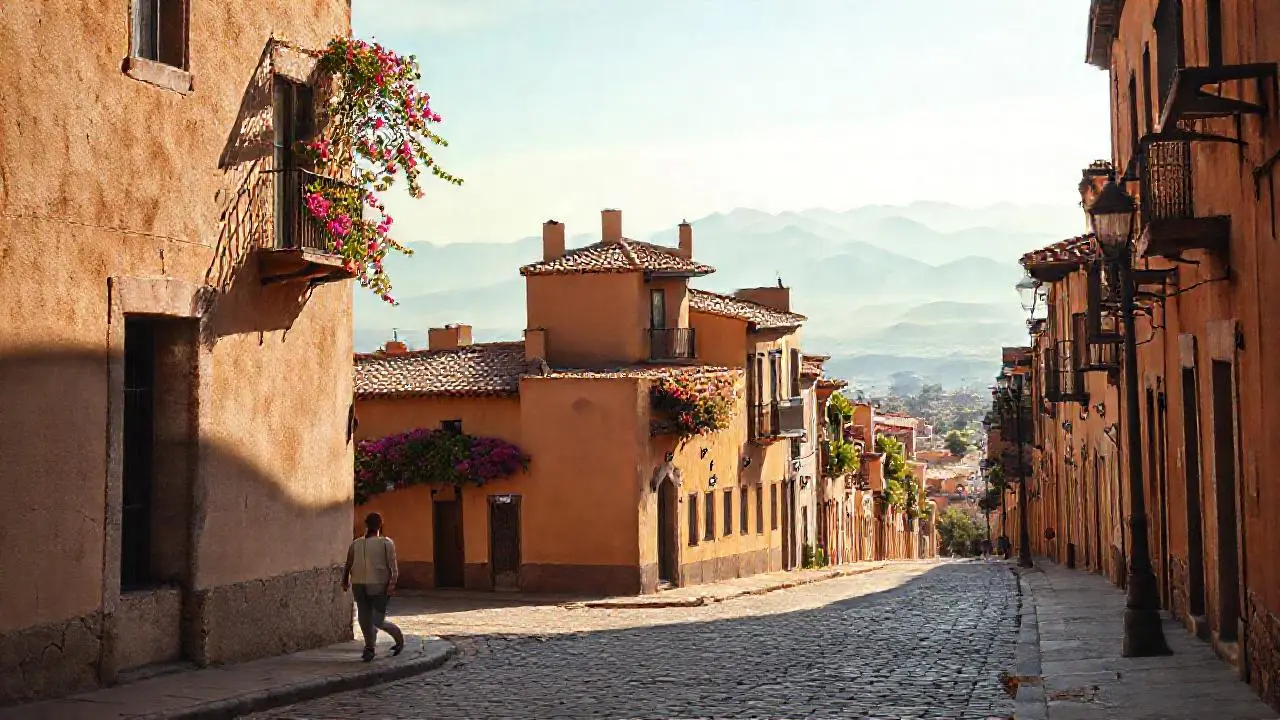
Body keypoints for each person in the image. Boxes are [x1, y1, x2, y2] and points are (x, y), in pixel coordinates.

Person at [343, 512, 405, 661]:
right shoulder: (357, 544)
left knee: (374, 619)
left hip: (376, 585)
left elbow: (392, 567)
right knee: (367, 619)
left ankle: (397, 640)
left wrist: (391, 584)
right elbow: (349, 562)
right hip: (362, 584)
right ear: (380, 525)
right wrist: (345, 579)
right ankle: (370, 647)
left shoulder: (385, 543)